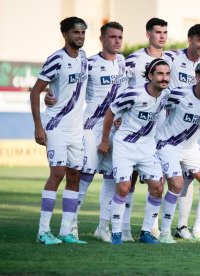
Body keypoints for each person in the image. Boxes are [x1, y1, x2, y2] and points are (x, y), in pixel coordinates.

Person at [98, 59, 170, 244]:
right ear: (150, 76)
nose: (164, 78)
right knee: (123, 188)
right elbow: (111, 112)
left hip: (147, 147)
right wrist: (105, 139)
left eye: (167, 74)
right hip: (125, 146)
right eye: (160, 74)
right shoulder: (133, 93)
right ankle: (116, 233)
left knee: (157, 187)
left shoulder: (166, 95)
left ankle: (146, 232)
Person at [30, 17, 88, 245]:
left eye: (83, 33)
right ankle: (43, 231)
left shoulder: (84, 58)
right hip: (56, 126)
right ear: (65, 34)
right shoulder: (56, 59)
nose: (80, 37)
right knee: (57, 174)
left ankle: (66, 231)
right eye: (76, 33)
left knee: (75, 176)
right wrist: (38, 126)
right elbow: (35, 92)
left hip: (77, 130)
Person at [155, 60, 200, 243]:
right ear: (198, 77)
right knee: (176, 184)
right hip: (169, 145)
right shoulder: (178, 94)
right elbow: (156, 107)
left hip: (191, 149)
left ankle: (198, 232)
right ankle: (165, 232)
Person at [76, 22, 126, 243]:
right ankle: (71, 224)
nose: (117, 41)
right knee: (85, 175)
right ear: (102, 39)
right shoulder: (90, 64)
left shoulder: (124, 62)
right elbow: (72, 89)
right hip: (92, 127)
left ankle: (102, 227)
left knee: (112, 177)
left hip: (117, 128)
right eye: (112, 37)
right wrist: (51, 96)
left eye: (120, 37)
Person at [121, 17, 171, 241]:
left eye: (165, 32)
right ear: (148, 34)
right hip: (133, 129)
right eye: (158, 32)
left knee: (158, 181)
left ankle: (152, 227)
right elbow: (121, 89)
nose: (162, 36)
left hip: (160, 130)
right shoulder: (133, 60)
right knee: (127, 181)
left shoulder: (171, 60)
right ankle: (123, 228)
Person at [165, 24, 200, 240]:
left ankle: (194, 229)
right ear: (190, 40)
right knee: (166, 184)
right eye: (199, 40)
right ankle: (159, 229)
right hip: (169, 138)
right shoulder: (173, 59)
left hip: (193, 142)